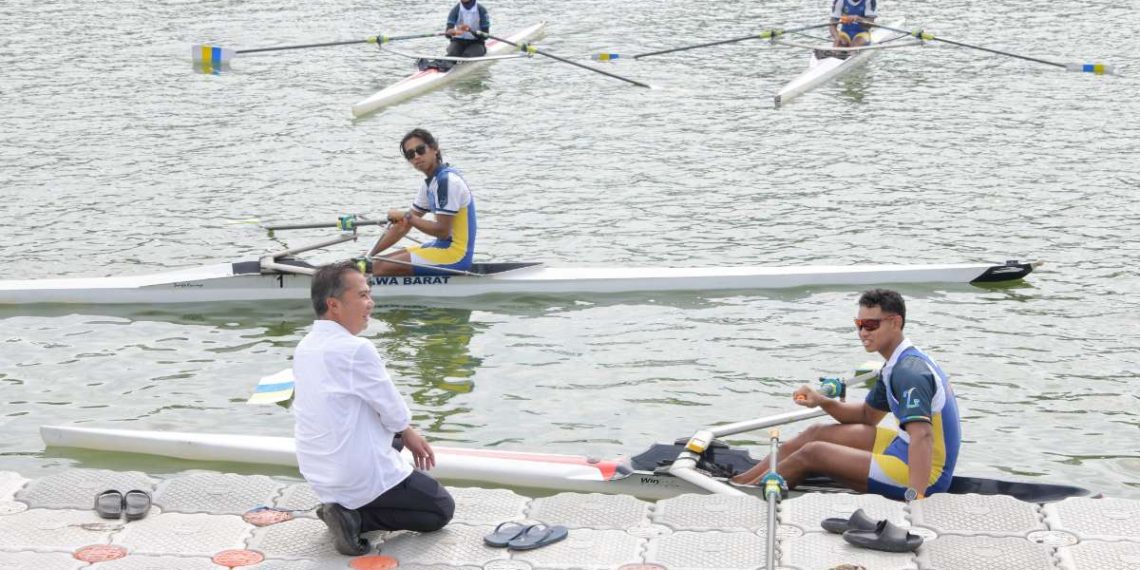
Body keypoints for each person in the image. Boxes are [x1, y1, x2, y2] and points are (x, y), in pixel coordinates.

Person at [731, 289, 961, 502]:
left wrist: (916, 499)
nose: (862, 332)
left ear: (895, 322)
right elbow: (866, 416)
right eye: (859, 324)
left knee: (814, 452)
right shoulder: (895, 364)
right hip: (902, 446)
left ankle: (743, 499)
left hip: (926, 473)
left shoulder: (910, 372)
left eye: (870, 325)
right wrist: (821, 400)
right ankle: (739, 482)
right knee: (816, 432)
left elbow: (922, 436)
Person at [293, 260, 454, 555]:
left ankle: (341, 507)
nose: (371, 303)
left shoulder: (305, 346)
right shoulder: (356, 349)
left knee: (394, 433)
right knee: (440, 509)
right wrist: (410, 432)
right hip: (351, 474)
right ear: (334, 305)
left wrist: (403, 432)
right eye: (363, 296)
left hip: (319, 472)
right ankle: (355, 517)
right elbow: (395, 412)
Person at [368, 128, 477, 277]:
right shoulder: (430, 183)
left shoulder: (447, 181)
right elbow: (402, 228)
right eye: (410, 154)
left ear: (435, 150)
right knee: (374, 262)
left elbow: (442, 231)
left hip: (456, 255)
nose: (416, 157)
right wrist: (368, 255)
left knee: (378, 269)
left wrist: (407, 216)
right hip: (441, 247)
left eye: (420, 150)